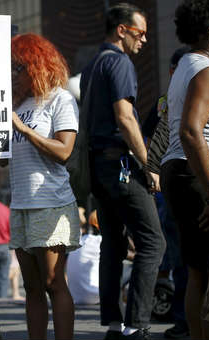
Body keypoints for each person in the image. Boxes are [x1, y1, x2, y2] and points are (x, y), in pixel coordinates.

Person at [79, 3, 166, 339]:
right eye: (139, 32)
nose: (143, 40)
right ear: (121, 30)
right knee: (153, 242)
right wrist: (149, 165)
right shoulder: (119, 62)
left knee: (112, 242)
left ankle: (115, 325)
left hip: (98, 166)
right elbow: (125, 117)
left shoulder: (91, 67)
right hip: (121, 165)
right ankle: (137, 325)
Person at [160, 1, 209, 339]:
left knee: (198, 272)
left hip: (180, 172)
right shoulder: (207, 70)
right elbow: (191, 130)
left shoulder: (185, 65)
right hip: (201, 175)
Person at [3, 33, 80, 340]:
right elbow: (2, 162)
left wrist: (21, 128)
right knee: (32, 287)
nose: (12, 74)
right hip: (20, 203)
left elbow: (64, 151)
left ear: (36, 65)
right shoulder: (18, 104)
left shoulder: (60, 99)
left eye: (17, 67)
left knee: (53, 282)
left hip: (50, 202)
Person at [142, 46, 191, 339]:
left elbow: (149, 137)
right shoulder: (198, 89)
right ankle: (187, 320)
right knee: (185, 257)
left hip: (172, 182)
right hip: (185, 180)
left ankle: (185, 320)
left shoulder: (167, 99)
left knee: (181, 257)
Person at [66, 210, 101, 305]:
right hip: (94, 297)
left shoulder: (81, 241)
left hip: (75, 297)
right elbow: (132, 255)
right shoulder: (100, 242)